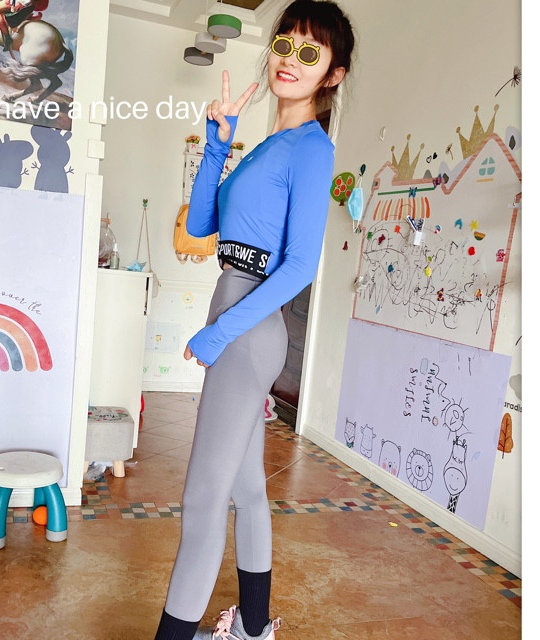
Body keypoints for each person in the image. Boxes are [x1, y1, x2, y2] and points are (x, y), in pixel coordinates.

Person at [153, 2, 355, 639]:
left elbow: (299, 267)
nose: (290, 60)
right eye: (284, 44)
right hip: (237, 312)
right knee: (244, 490)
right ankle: (254, 627)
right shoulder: (269, 145)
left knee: (202, 503)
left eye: (309, 52)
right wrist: (218, 143)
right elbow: (201, 224)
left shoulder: (312, 149)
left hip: (248, 327)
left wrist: (220, 332)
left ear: (333, 74)